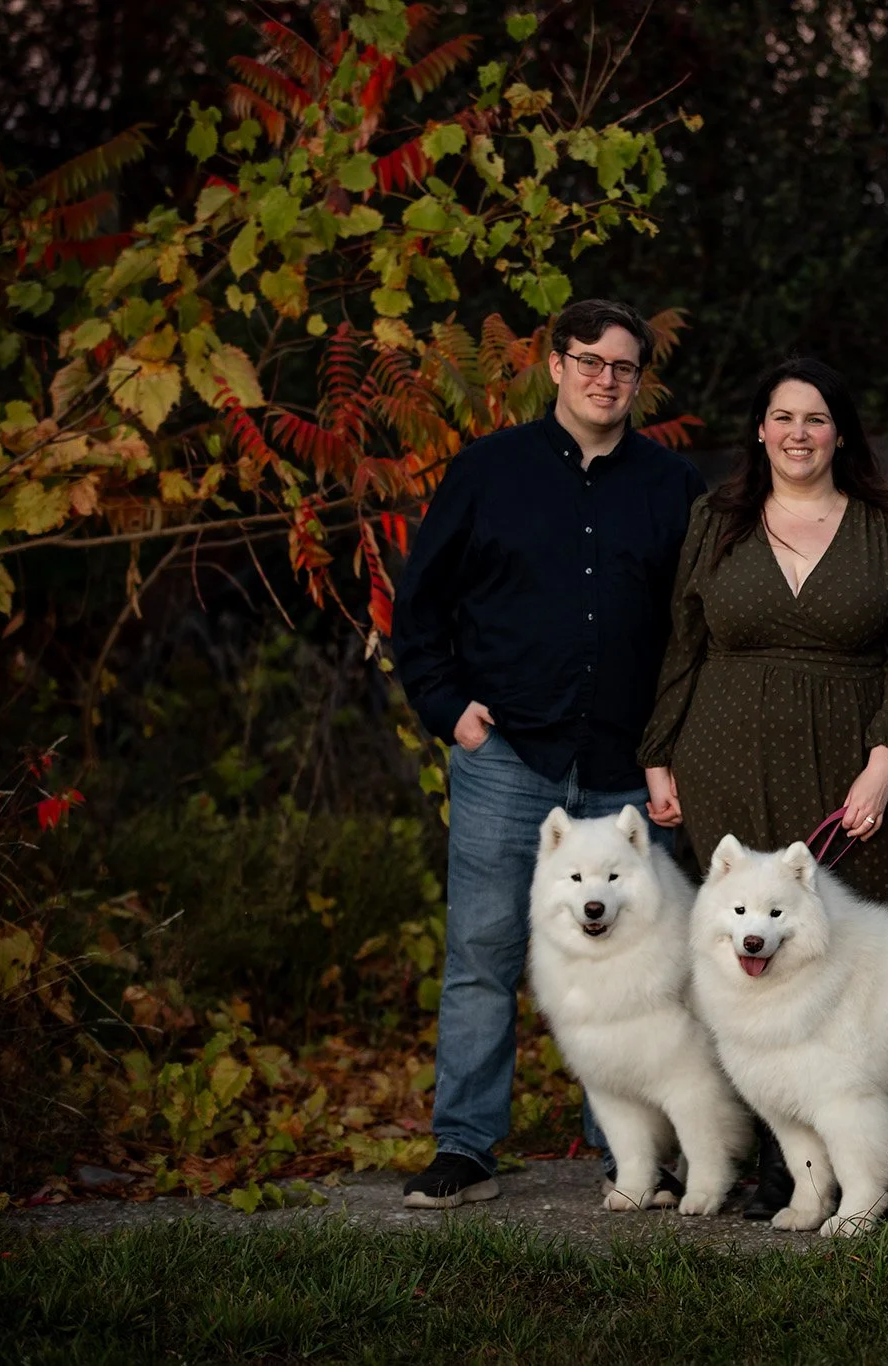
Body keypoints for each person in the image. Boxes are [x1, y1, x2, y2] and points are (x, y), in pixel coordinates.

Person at [391, 299, 707, 1209]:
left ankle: (633, 1157)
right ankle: (466, 1147)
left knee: (644, 969)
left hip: (630, 769)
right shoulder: (490, 471)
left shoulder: (672, 485)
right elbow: (422, 607)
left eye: (625, 368)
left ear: (640, 380)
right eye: (590, 362)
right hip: (509, 757)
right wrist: (451, 711)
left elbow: (698, 627)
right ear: (556, 365)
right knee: (484, 952)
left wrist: (679, 742)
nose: (607, 380)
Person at [638, 357, 888, 1217]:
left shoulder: (887, 529)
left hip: (856, 774)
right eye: (782, 418)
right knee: (751, 964)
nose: (798, 434)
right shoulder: (718, 520)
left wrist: (885, 763)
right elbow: (683, 644)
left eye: (815, 419)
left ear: (840, 433)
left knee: (855, 966)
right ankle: (787, 1168)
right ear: (761, 431)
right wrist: (659, 754)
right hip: (728, 762)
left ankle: (877, 1153)